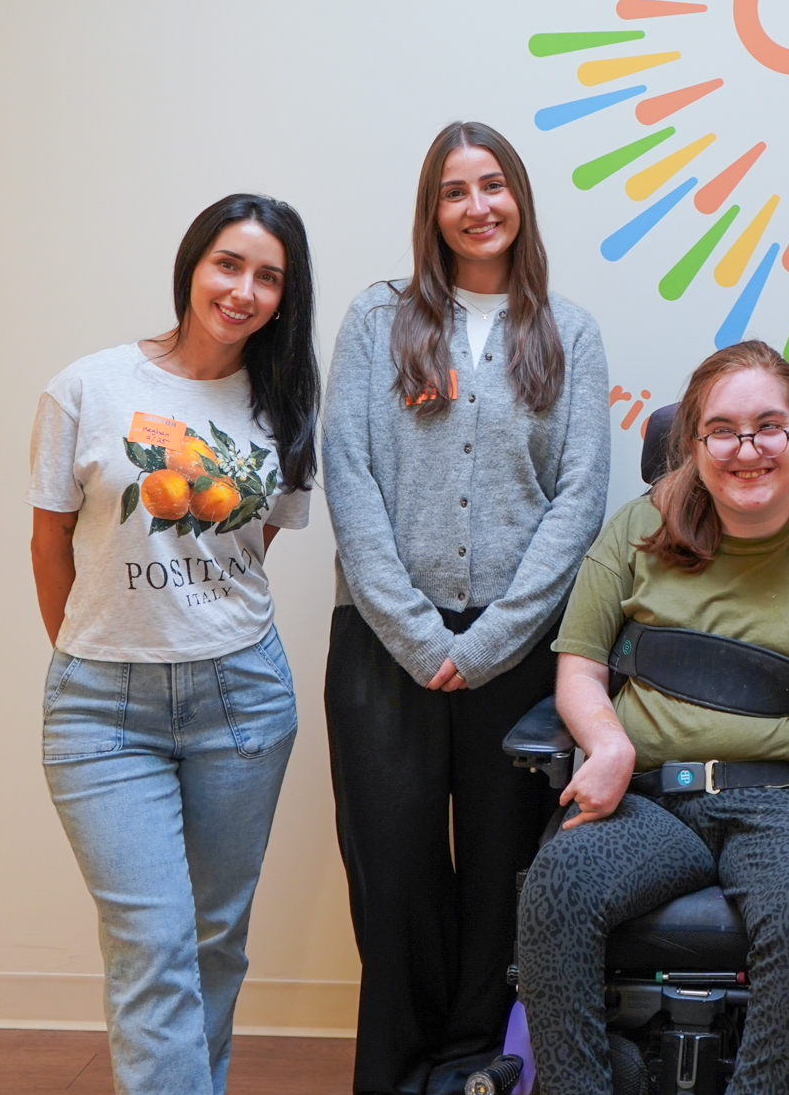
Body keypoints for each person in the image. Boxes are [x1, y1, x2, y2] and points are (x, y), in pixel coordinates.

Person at [516, 340, 789, 1095]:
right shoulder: (636, 531)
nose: (746, 449)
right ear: (693, 443)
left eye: (769, 427)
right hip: (649, 800)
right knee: (558, 886)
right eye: (722, 430)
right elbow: (579, 671)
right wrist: (606, 741)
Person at [323, 120, 611, 1095]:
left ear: (518, 199)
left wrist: (491, 637)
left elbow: (579, 498)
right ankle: (398, 1071)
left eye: (493, 185)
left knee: (502, 871)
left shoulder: (566, 329)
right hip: (380, 642)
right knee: (393, 866)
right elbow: (349, 475)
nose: (477, 205)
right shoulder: (378, 317)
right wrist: (410, 629)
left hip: (519, 643)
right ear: (431, 209)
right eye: (455, 190)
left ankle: (475, 1066)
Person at [29, 194, 320, 1095]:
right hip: (101, 710)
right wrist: (99, 648)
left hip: (242, 697)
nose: (242, 290)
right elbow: (50, 543)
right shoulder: (89, 386)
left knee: (213, 940)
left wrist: (188, 621)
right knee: (152, 947)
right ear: (192, 264)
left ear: (285, 296)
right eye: (227, 264)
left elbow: (248, 548)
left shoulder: (286, 407)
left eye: (268, 276)